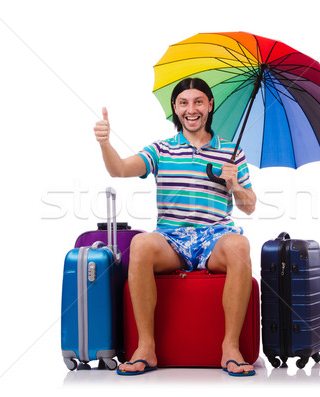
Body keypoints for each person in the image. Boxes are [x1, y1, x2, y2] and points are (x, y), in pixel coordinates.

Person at [93, 78, 257, 376]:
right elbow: (119, 169)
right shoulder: (161, 150)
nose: (191, 109)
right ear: (175, 108)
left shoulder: (232, 152)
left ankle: (230, 348)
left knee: (240, 246)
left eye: (198, 102)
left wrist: (234, 184)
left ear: (210, 106)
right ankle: (146, 348)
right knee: (141, 244)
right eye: (183, 102)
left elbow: (249, 205)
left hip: (216, 237)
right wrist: (106, 144)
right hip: (172, 239)